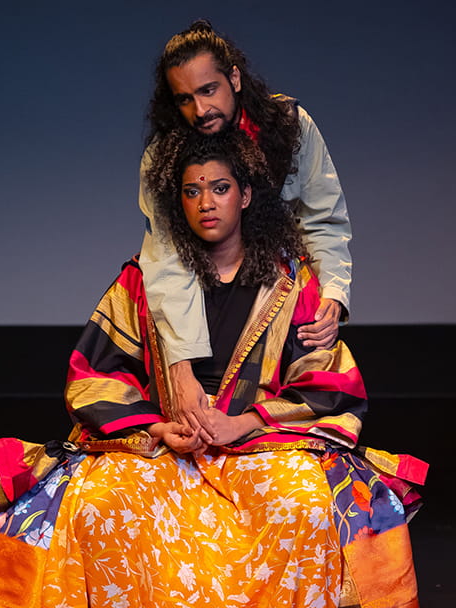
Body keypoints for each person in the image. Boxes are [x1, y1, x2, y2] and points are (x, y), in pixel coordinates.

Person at [0, 131, 424, 608]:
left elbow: (326, 383)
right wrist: (158, 427)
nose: (206, 203)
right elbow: (93, 375)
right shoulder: (146, 281)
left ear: (246, 195)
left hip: (261, 442)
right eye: (191, 191)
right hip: (164, 444)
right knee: (101, 505)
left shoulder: (291, 283)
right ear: (175, 202)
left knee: (305, 507)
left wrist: (245, 423)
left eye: (220, 188)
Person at [141, 20, 353, 439]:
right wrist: (181, 367)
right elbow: (168, 257)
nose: (200, 110)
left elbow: (323, 217)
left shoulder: (289, 127)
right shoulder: (163, 154)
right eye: (184, 98)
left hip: (275, 296)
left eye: (209, 90)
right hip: (200, 297)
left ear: (234, 78)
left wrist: (332, 294)